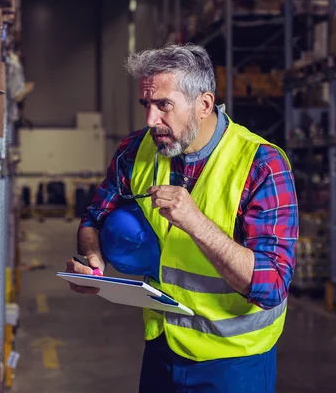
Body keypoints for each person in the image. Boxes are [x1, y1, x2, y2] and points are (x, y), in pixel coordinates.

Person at [64, 43, 299, 392]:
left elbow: (271, 284)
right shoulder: (135, 151)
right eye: (146, 104)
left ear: (203, 105)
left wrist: (195, 221)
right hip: (162, 349)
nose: (150, 119)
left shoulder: (262, 165)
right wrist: (94, 265)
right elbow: (95, 216)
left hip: (235, 361)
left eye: (164, 105)